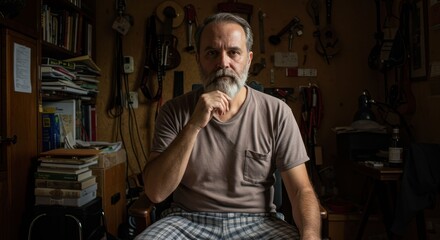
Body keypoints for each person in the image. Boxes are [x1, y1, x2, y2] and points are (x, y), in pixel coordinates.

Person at [137, 12, 321, 240]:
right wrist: (194, 124)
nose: (223, 63)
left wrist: (311, 236)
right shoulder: (173, 111)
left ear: (249, 59)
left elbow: (301, 190)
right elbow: (155, 192)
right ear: (198, 59)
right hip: (186, 220)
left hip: (259, 224)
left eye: (233, 52)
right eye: (212, 53)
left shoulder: (277, 112)